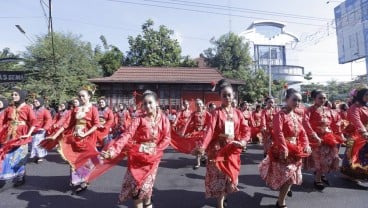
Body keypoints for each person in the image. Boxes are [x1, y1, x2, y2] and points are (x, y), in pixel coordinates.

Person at [101, 90, 171, 208]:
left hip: (153, 157)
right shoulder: (139, 119)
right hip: (137, 156)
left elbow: (167, 138)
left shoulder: (163, 119)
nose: (147, 106)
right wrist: (114, 150)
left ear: (156, 103)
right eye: (145, 103)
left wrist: (156, 149)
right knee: (137, 188)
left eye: (150, 103)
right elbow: (127, 134)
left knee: (147, 186)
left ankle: (148, 203)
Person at [195, 79, 250, 208]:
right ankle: (220, 204)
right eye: (224, 95)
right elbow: (209, 131)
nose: (227, 97)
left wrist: (242, 141)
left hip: (232, 151)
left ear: (233, 96)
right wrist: (203, 147)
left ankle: (223, 198)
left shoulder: (238, 113)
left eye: (229, 95)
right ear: (220, 97)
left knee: (230, 177)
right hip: (218, 151)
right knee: (220, 176)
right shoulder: (216, 113)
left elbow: (245, 129)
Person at [259, 88, 311, 208]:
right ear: (287, 99)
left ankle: (281, 201)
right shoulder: (280, 115)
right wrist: (284, 148)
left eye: (299, 100)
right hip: (283, 149)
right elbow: (278, 132)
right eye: (294, 100)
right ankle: (281, 201)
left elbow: (302, 133)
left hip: (296, 150)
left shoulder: (297, 115)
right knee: (287, 176)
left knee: (291, 176)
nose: (297, 103)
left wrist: (306, 144)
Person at [45, 87, 100, 194]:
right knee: (74, 158)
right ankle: (77, 179)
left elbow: (96, 124)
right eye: (79, 96)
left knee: (86, 159)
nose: (81, 98)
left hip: (88, 137)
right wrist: (55, 135)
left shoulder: (93, 109)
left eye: (83, 96)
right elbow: (67, 124)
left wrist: (85, 134)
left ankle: (84, 181)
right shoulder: (75, 109)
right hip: (75, 136)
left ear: (89, 96)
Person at [303, 90, 345, 190]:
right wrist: (314, 135)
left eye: (324, 98)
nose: (323, 100)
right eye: (320, 98)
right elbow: (305, 123)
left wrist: (340, 134)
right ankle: (318, 180)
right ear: (314, 99)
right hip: (316, 139)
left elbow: (336, 123)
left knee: (331, 158)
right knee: (321, 160)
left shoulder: (329, 110)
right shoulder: (309, 110)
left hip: (328, 138)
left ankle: (320, 175)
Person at [0, 87, 36, 187]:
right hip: (10, 135)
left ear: (22, 96)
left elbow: (33, 122)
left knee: (20, 156)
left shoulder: (27, 108)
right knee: (7, 155)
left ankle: (21, 176)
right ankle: (6, 174)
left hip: (21, 135)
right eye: (12, 94)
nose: (13, 96)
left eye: (16, 95)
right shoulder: (10, 108)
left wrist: (29, 134)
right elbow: (2, 120)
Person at [171, 98, 212, 169]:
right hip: (196, 132)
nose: (199, 105)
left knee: (205, 147)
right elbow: (187, 123)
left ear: (202, 105)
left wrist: (206, 128)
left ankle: (204, 157)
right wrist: (183, 132)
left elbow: (211, 122)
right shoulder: (193, 114)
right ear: (196, 105)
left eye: (200, 104)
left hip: (204, 133)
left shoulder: (206, 113)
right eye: (197, 104)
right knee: (197, 147)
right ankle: (198, 163)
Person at [341, 86, 368, 180]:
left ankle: (362, 172)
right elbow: (356, 120)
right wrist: (364, 131)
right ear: (360, 95)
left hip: (365, 134)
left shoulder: (365, 106)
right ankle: (351, 172)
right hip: (357, 135)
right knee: (353, 154)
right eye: (366, 94)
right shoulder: (354, 107)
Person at [30, 97, 52, 163]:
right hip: (33, 129)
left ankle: (40, 157)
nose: (35, 103)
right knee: (33, 143)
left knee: (38, 143)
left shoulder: (45, 111)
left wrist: (44, 128)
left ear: (41, 102)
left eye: (37, 101)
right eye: (34, 102)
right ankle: (36, 155)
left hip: (41, 130)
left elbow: (49, 119)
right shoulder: (33, 110)